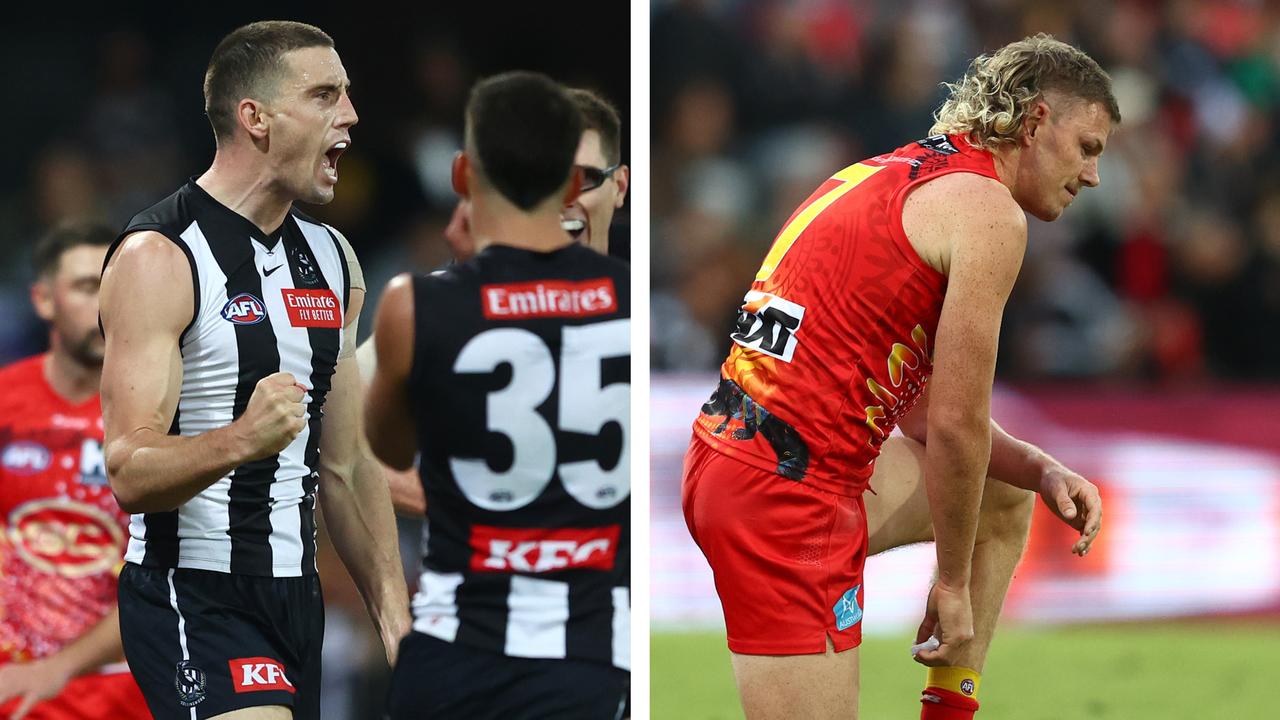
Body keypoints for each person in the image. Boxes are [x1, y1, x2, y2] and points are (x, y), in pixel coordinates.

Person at [681, 34, 1110, 720]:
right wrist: (951, 583)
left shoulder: (894, 172)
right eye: (1088, 147)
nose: (1093, 176)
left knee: (1006, 492)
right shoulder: (989, 215)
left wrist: (1040, 467)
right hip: (786, 498)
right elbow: (954, 425)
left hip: (746, 457)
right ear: (1034, 125)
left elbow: (919, 412)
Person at [98, 21, 409, 719]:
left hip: (297, 601)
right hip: (192, 591)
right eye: (326, 95)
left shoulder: (333, 262)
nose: (351, 116)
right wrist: (240, 440)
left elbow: (350, 464)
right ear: (256, 118)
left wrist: (396, 620)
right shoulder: (161, 256)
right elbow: (127, 469)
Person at [365, 71, 630, 719]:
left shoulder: (417, 305)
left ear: (465, 175)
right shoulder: (635, 307)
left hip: (457, 649)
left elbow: (382, 445)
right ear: (565, 184)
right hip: (593, 651)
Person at [376, 85, 630, 517]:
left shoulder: (644, 305)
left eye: (583, 179)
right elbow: (350, 456)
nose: (564, 200)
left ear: (619, 186)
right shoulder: (432, 303)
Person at [0, 223, 148, 719]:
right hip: (11, 687)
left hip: (123, 692)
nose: (106, 305)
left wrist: (59, 667)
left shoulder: (167, 417)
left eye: (116, 288)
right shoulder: (4, 402)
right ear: (44, 300)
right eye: (87, 287)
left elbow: (171, 575)